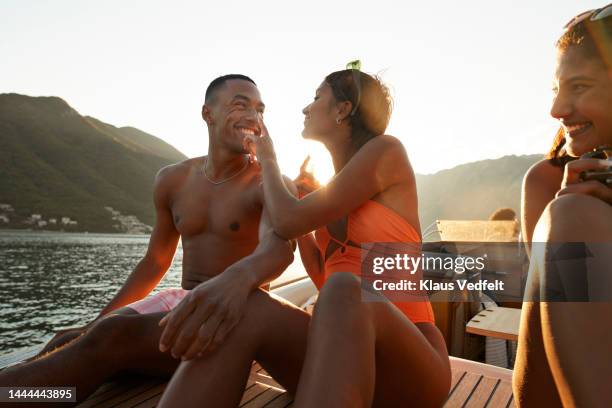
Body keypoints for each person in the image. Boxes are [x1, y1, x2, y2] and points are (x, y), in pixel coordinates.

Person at [158, 67, 451, 407]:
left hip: (409, 365)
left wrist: (267, 159)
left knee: (344, 289)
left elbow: (286, 221)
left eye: (316, 98)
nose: (306, 108)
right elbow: (319, 271)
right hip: (342, 355)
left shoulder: (387, 152)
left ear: (342, 110)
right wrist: (304, 217)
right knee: (249, 304)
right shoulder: (331, 192)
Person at [0, 74, 298, 402]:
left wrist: (236, 281)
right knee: (68, 341)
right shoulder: (173, 179)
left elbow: (278, 249)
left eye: (260, 109)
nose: (253, 117)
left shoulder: (267, 182)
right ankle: (25, 396)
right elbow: (156, 261)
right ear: (207, 114)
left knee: (109, 338)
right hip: (178, 298)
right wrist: (96, 322)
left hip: (230, 314)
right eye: (240, 105)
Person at [514, 6, 612, 407]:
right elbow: (547, 307)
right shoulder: (547, 181)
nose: (557, 109)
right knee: (571, 215)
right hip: (556, 387)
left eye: (580, 86)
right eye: (557, 89)